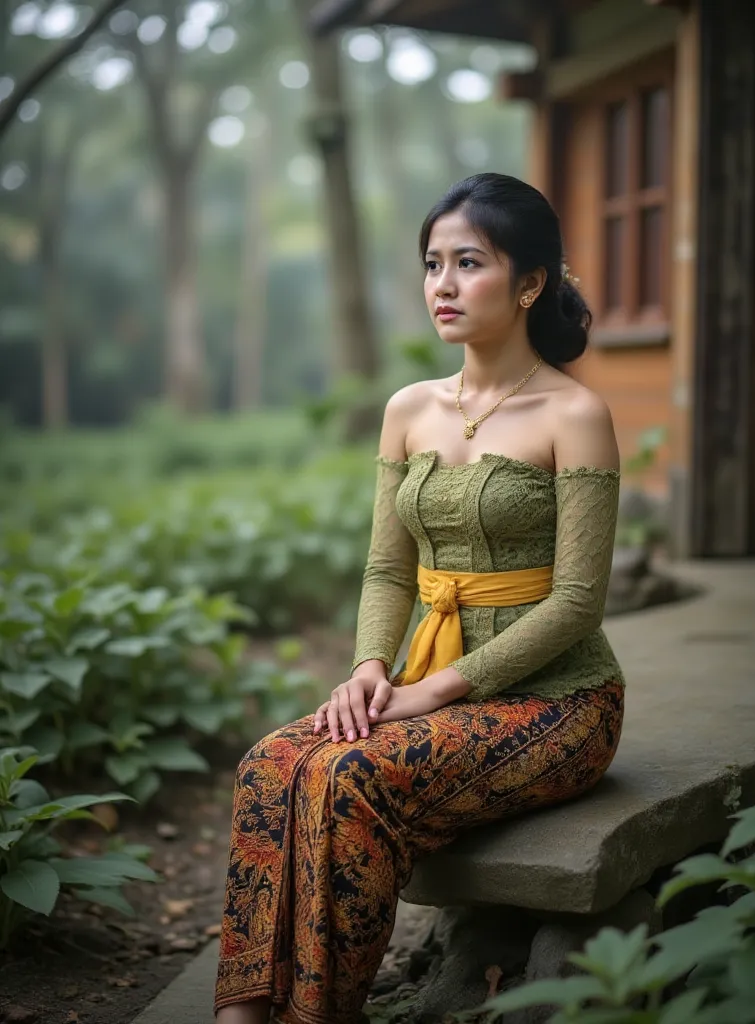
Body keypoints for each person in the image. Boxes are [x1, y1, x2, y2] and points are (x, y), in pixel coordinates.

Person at [214, 172, 625, 1024]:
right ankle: (242, 1014)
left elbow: (580, 600)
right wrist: (371, 668)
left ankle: (322, 1013)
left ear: (530, 282)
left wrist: (431, 691)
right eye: (432, 263)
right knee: (272, 764)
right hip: (422, 677)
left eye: (468, 262)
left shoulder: (575, 413)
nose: (442, 283)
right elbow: (387, 570)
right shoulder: (409, 408)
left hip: (559, 699)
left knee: (349, 777)